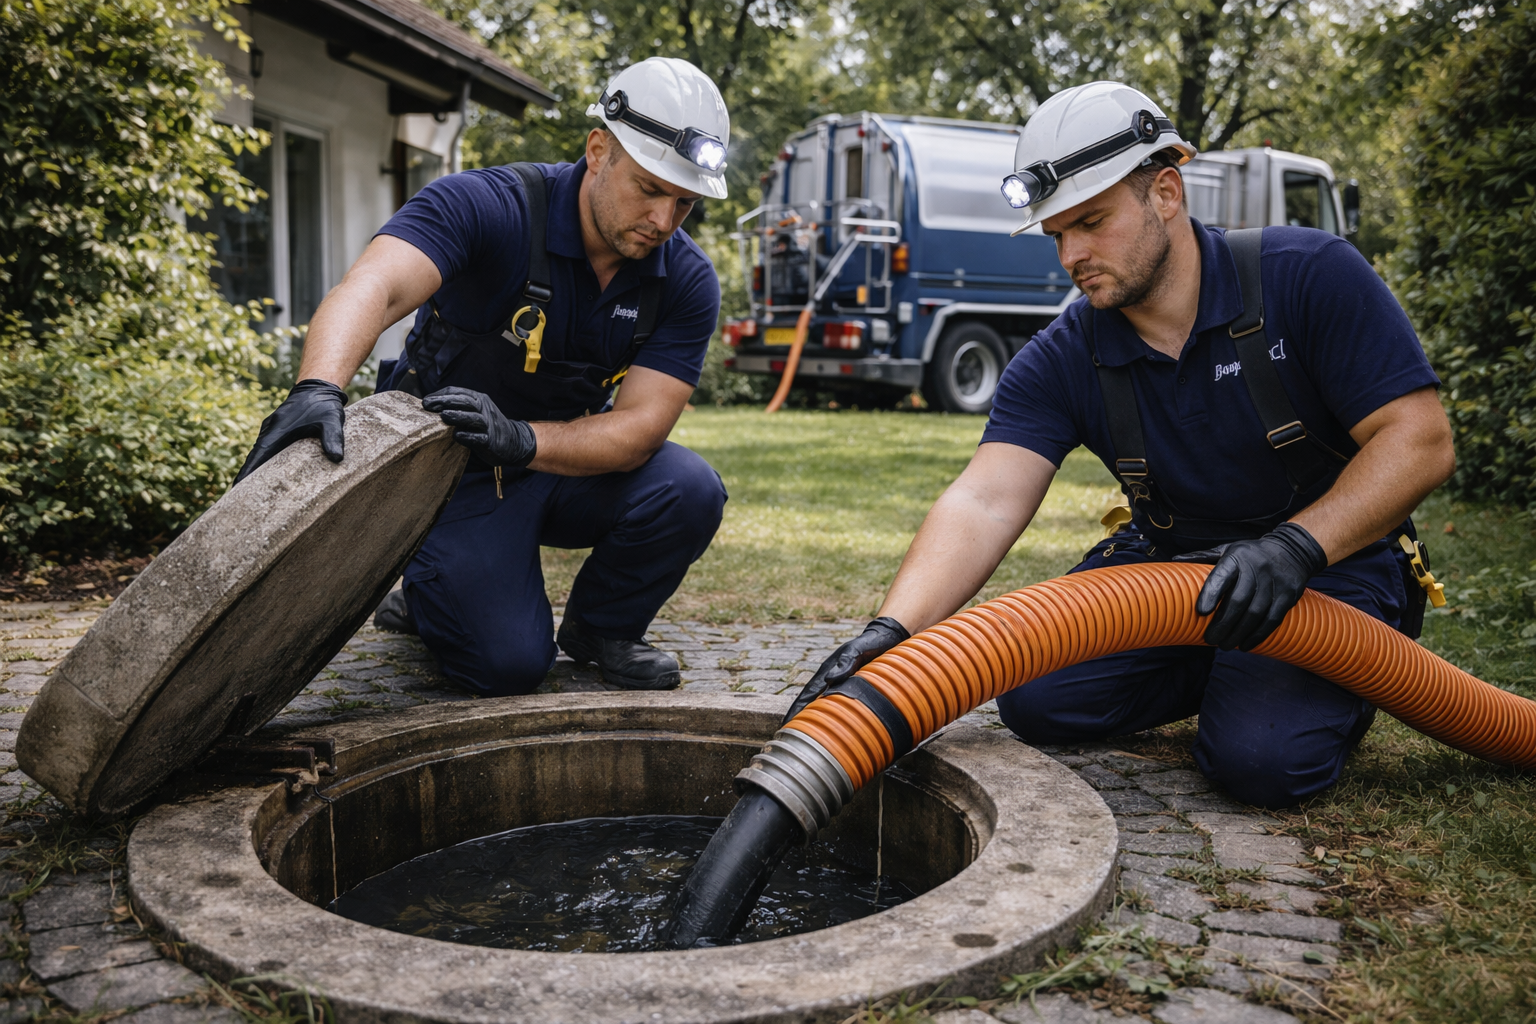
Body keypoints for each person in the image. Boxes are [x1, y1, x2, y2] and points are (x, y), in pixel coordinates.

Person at [786, 82, 1455, 809]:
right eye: (1056, 234)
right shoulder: (1066, 353)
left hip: (1326, 564)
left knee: (1260, 763)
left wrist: (1294, 548)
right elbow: (984, 498)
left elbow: (1419, 441)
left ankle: (1333, 675)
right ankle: (1233, 663)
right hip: (1171, 565)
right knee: (1037, 699)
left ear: (1165, 191)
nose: (1072, 254)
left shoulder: (1307, 276)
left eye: (1092, 222)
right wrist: (895, 629)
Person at [233, 57, 731, 695]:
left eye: (684, 202)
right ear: (599, 150)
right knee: (506, 667)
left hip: (555, 462)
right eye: (649, 189)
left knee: (689, 487)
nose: (664, 221)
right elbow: (376, 287)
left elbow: (639, 427)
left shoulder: (685, 280)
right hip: (445, 473)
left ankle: (602, 628)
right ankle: (425, 589)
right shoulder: (487, 205)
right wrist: (317, 386)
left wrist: (522, 440)